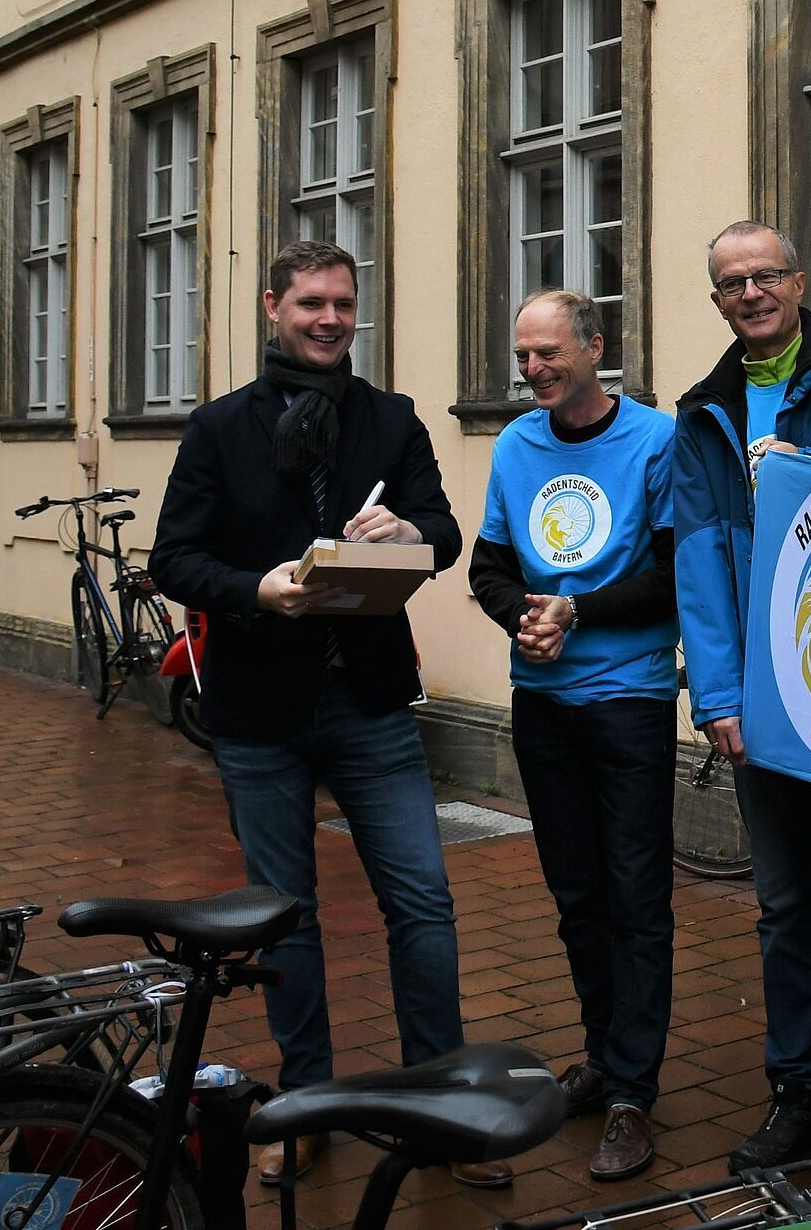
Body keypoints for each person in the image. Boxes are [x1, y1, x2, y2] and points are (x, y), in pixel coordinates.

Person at [148, 241, 501, 1189]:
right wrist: (256, 591)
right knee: (286, 918)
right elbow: (173, 558)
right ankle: (305, 1106)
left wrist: (409, 530)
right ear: (274, 306)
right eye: (312, 302)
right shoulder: (220, 428)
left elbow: (443, 532)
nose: (331, 319)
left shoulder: (391, 419)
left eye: (344, 303)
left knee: (422, 903)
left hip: (369, 704)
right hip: (259, 713)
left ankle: (438, 1103)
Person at [673, 221, 811, 1171]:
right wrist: (718, 694)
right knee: (785, 905)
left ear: (801, 281)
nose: (751, 293)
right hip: (762, 699)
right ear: (717, 300)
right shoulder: (705, 409)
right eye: (733, 283)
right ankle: (795, 1088)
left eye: (766, 276)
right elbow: (697, 563)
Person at [469, 290, 678, 1181]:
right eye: (524, 356)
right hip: (543, 703)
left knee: (637, 899)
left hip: (628, 700)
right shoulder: (517, 445)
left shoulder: (656, 439)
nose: (534, 370)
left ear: (596, 346)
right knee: (577, 896)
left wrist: (576, 611)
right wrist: (522, 617)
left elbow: (673, 573)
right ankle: (603, 1054)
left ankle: (633, 1092)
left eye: (549, 352)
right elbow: (488, 565)